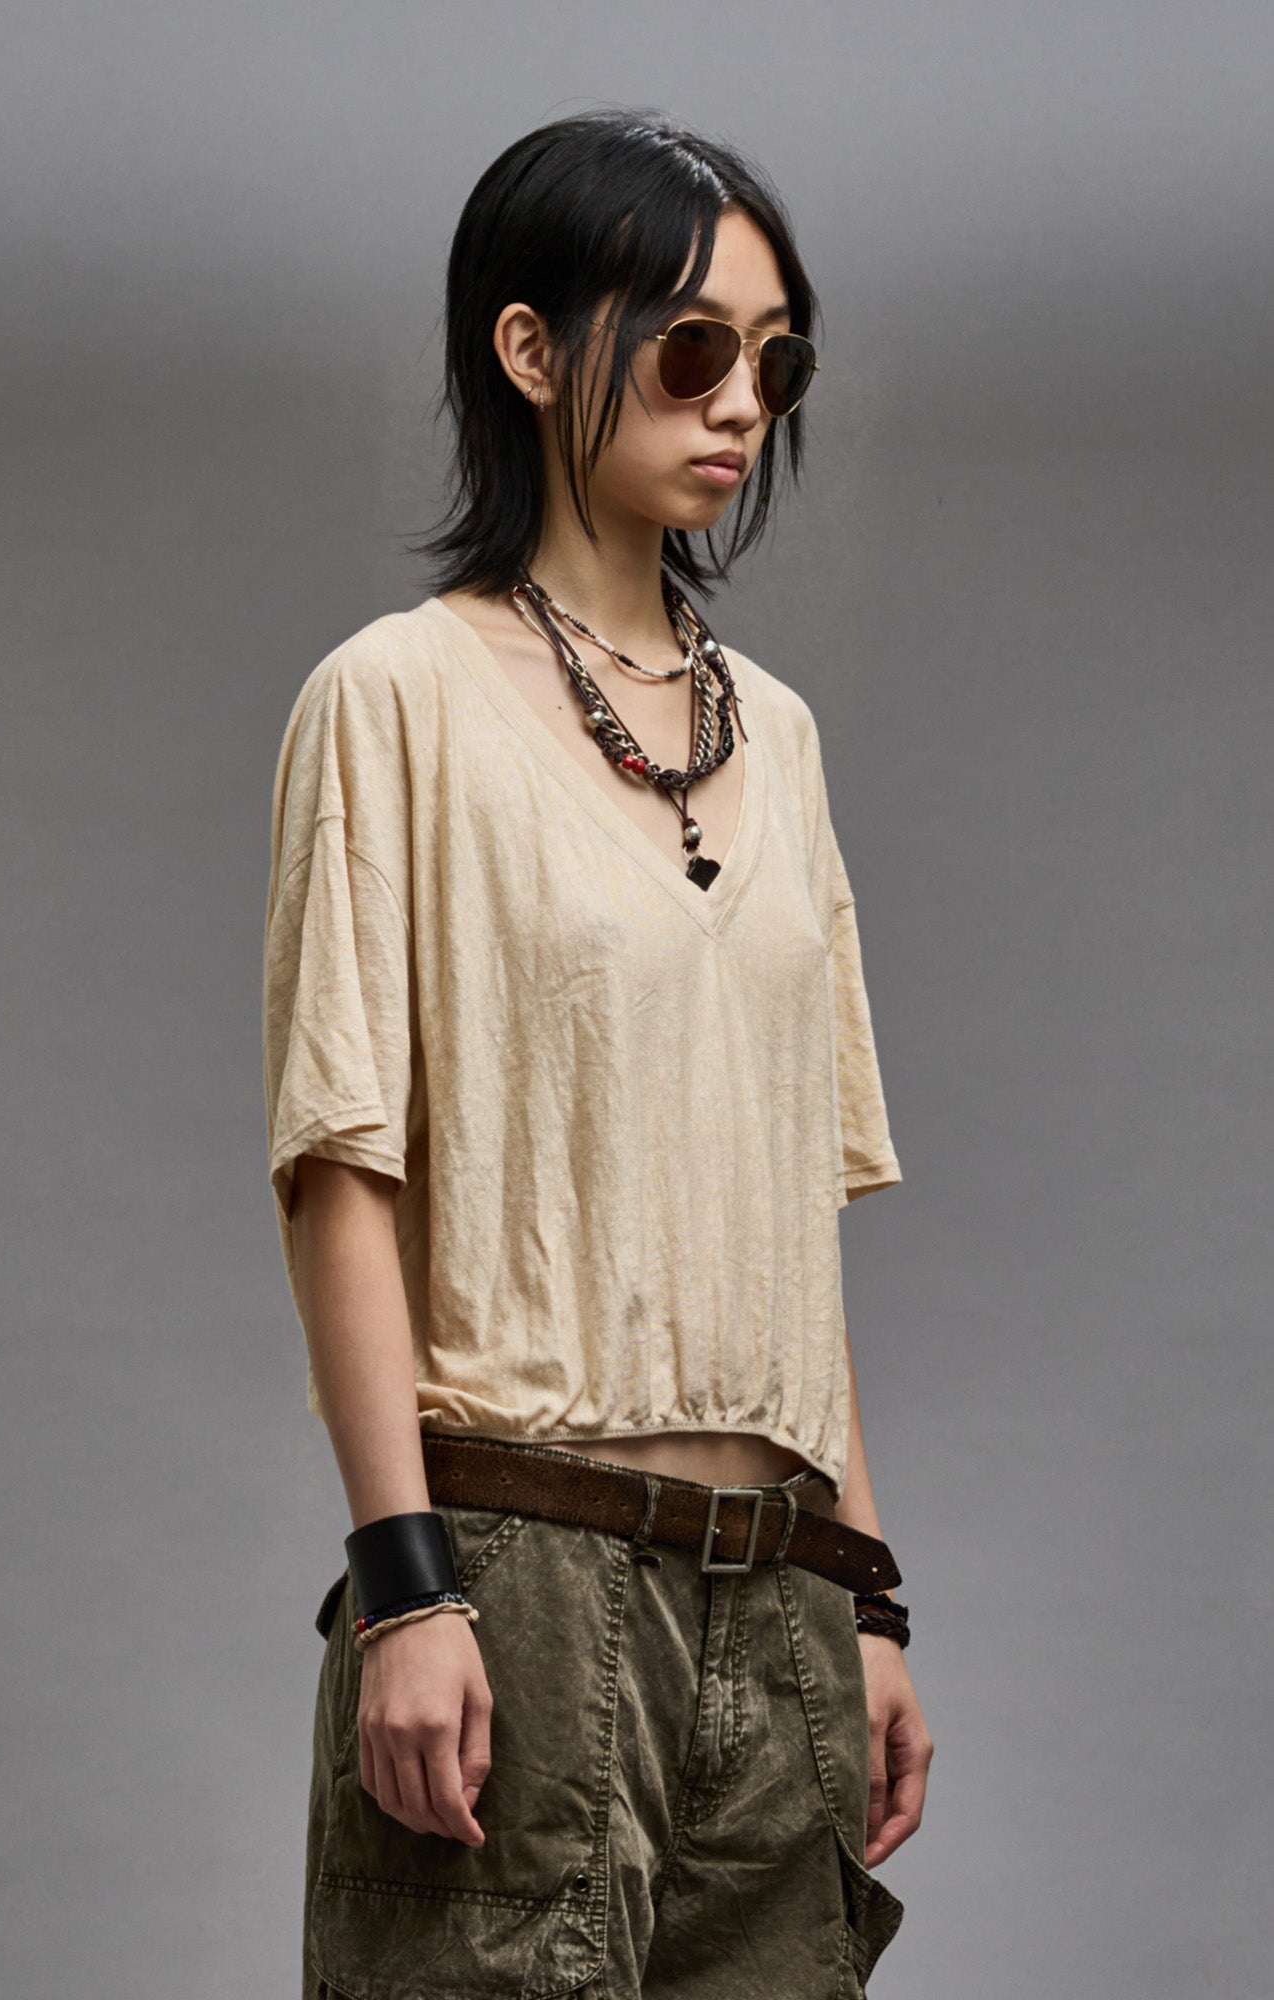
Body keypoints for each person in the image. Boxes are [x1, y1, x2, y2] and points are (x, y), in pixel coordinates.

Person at [262, 108, 934, 2000]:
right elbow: (340, 1168)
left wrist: (867, 1594)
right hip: (521, 1578)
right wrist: (404, 1584)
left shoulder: (776, 737)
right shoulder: (395, 699)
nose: (741, 402)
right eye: (693, 344)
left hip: (778, 1590)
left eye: (776, 360)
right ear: (533, 348)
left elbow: (791, 1206)